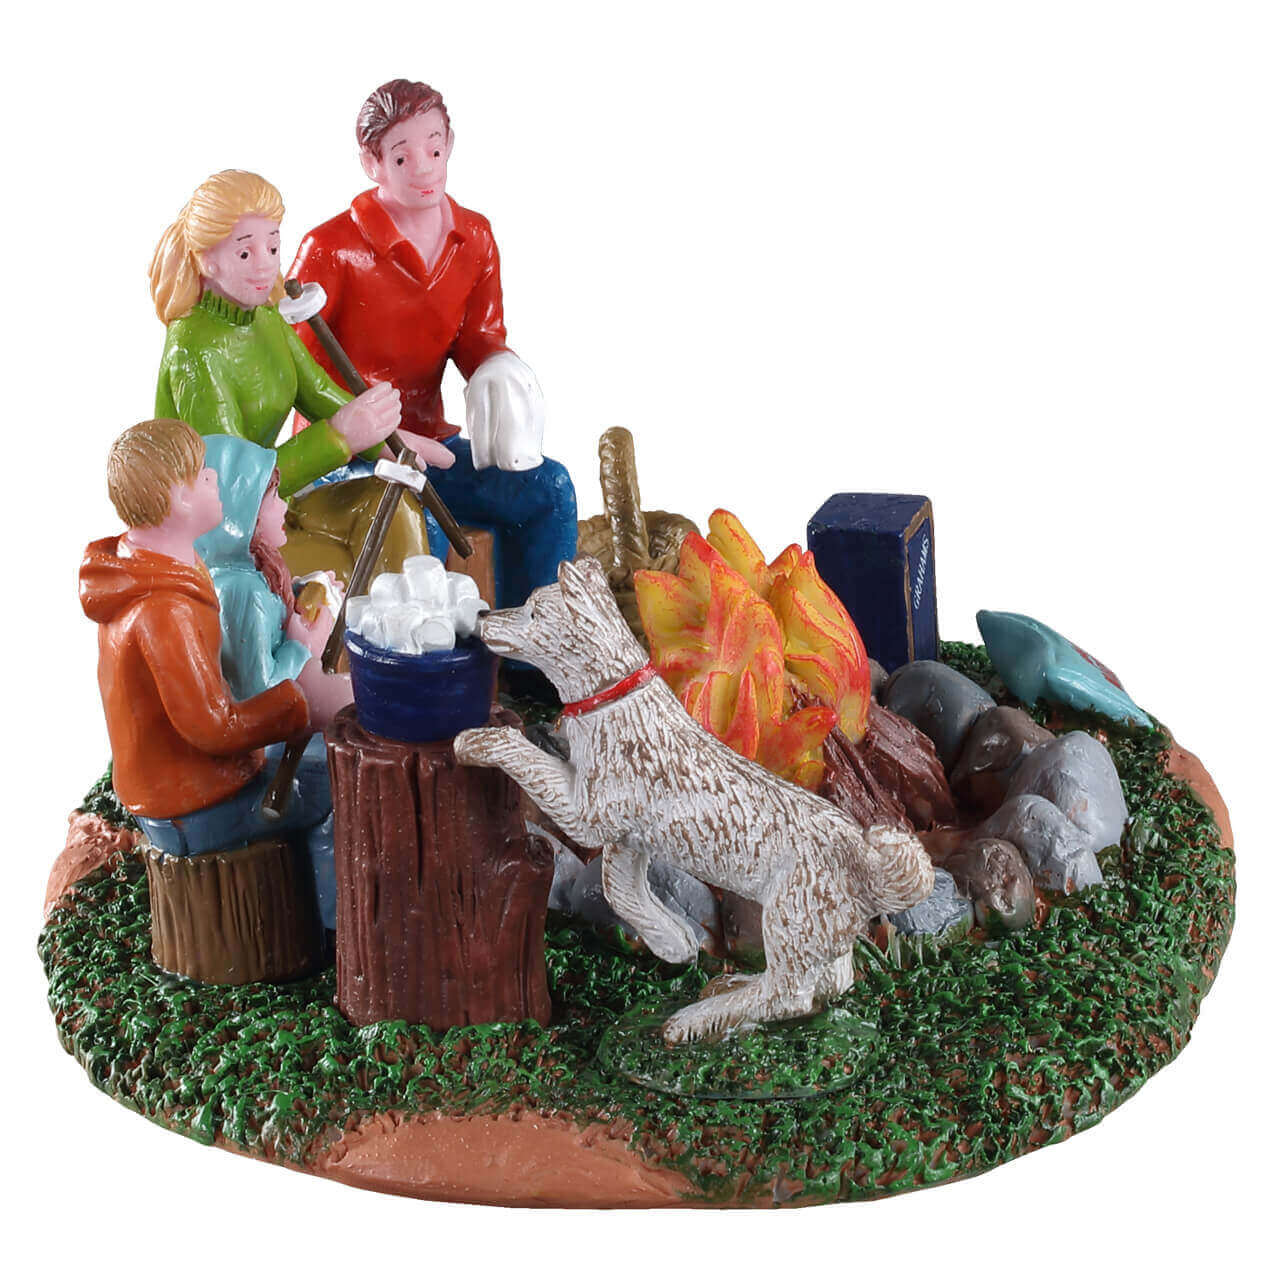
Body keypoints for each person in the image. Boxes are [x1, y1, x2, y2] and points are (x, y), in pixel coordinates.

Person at [288, 79, 577, 608]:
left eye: (435, 149)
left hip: (432, 444)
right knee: (423, 535)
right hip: (347, 456)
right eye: (402, 157)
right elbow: (292, 370)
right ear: (372, 163)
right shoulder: (330, 249)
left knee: (548, 490)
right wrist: (369, 432)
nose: (424, 168)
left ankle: (535, 647)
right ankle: (421, 659)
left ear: (451, 144)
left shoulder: (474, 237)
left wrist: (500, 370)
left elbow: (479, 338)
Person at [80, 419, 335, 921]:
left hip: (186, 787)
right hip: (189, 806)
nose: (214, 477)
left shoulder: (162, 565)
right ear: (177, 499)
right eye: (201, 474)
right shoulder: (163, 612)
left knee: (312, 760)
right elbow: (213, 727)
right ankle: (331, 933)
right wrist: (297, 706)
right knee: (333, 790)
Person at [150, 170, 433, 580]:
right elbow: (233, 489)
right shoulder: (196, 351)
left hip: (276, 503)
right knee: (343, 563)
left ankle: (420, 613)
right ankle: (367, 620)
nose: (265, 266)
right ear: (205, 259)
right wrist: (339, 438)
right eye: (245, 254)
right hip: (219, 537)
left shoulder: (265, 317)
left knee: (392, 507)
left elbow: (318, 392)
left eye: (273, 247)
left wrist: (390, 440)